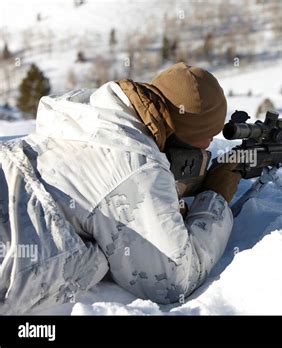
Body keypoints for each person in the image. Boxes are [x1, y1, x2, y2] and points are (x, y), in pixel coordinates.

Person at [0, 62, 241, 314]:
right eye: (208, 135)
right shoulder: (136, 166)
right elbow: (172, 281)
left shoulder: (91, 112)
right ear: (182, 134)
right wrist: (215, 197)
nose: (210, 144)